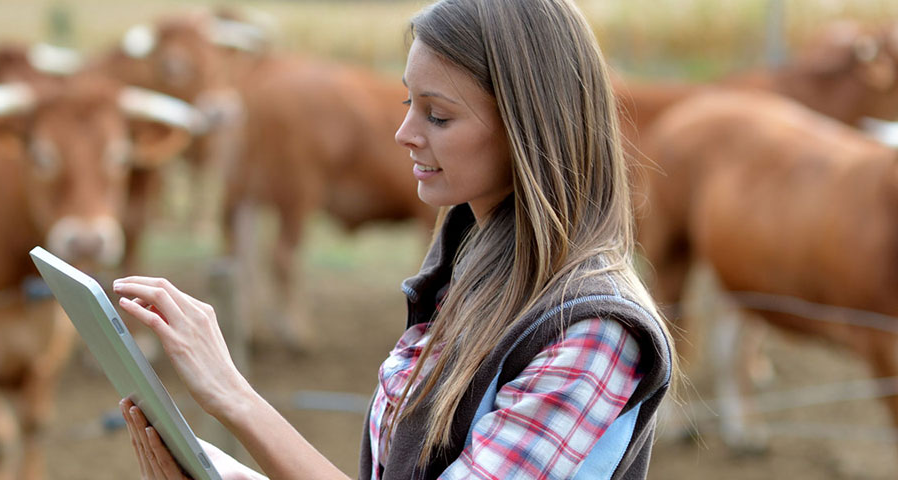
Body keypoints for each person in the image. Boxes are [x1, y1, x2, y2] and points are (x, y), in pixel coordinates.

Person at [111, 0, 675, 478]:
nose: (405, 134)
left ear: (528, 125)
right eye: (410, 103)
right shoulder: (472, 269)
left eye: (439, 116)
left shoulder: (592, 332)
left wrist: (235, 398)